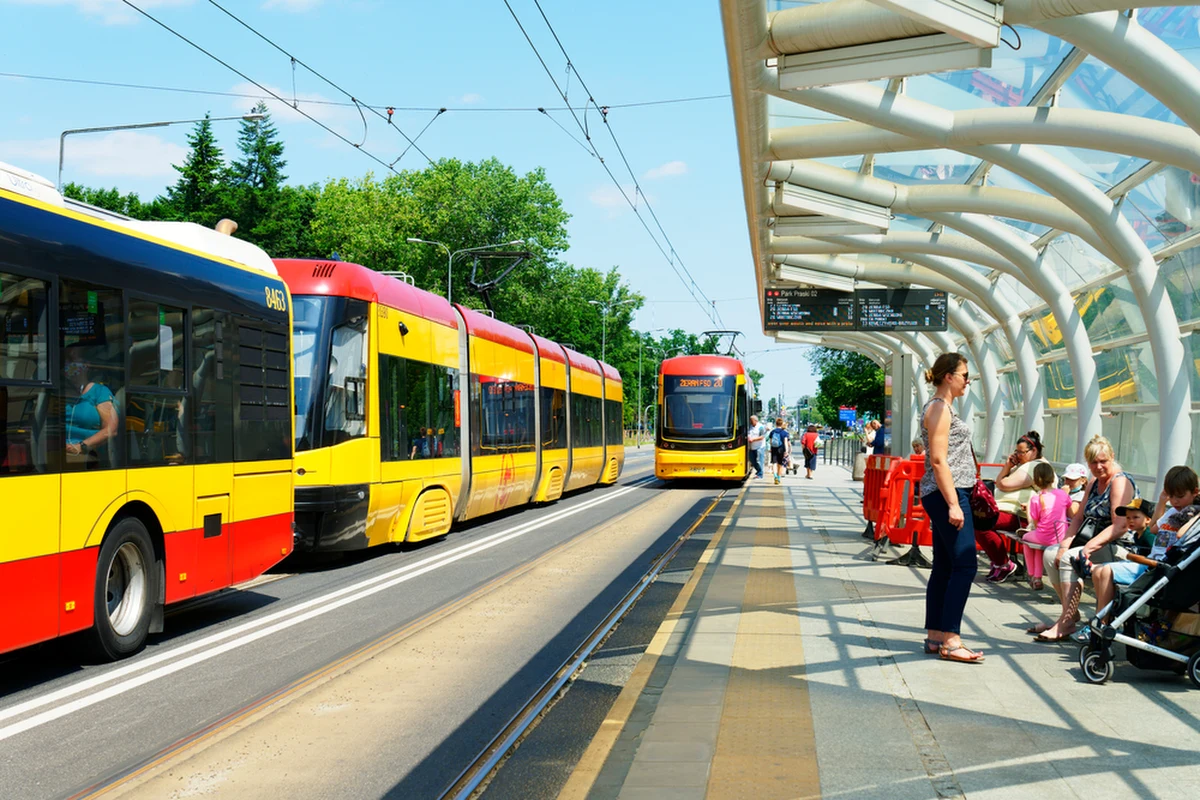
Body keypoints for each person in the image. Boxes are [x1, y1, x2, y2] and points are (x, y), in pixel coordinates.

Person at [1030, 434, 1135, 641]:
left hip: (1118, 546)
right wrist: (1063, 546)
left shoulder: (1119, 482)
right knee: (1052, 555)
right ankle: (1069, 614)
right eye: (1093, 462)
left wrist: (1087, 548)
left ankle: (1066, 622)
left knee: (1071, 558)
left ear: (1112, 457)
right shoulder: (1095, 482)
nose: (1099, 466)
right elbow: (1078, 517)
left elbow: (1120, 526)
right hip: (1095, 543)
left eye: (1103, 461)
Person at [920, 353, 984, 664]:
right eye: (963, 375)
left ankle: (935, 636)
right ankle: (951, 639)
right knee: (965, 565)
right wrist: (953, 504)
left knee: (945, 566)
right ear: (948, 376)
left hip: (946, 492)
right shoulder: (939, 408)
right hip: (948, 493)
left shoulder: (939, 408)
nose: (967, 380)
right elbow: (938, 460)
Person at [1090, 468, 1200, 623]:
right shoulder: (1173, 511)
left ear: (1195, 492)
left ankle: (1103, 622)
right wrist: (1162, 501)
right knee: (1097, 571)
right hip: (1151, 562)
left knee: (1105, 570)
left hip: (1160, 568)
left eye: (1180, 496)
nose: (1175, 501)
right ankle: (1103, 617)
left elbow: (1182, 534)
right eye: (1172, 496)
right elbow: (1154, 528)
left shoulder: (1193, 514)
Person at [975, 431, 1052, 584]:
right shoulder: (1025, 465)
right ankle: (1000, 562)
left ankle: (1003, 564)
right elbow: (1001, 482)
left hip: (1022, 516)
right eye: (1016, 451)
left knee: (981, 523)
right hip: (1011, 513)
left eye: (1021, 452)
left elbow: (1003, 484)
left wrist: (1007, 470)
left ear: (1033, 450)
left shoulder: (1035, 467)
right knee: (980, 522)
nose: (1018, 455)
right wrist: (1008, 466)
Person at [1021, 462, 1071, 591]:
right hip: (1060, 536)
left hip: (1043, 535)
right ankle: (1036, 578)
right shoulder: (1062, 494)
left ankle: (1032, 574)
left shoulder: (1036, 499)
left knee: (1026, 539)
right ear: (1053, 478)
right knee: (1038, 547)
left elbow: (1036, 522)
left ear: (1036, 480)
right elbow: (1069, 511)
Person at [63, 352, 118, 467]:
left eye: (71, 359)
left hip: (88, 455)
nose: (67, 364)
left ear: (86, 365)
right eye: (65, 361)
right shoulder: (58, 392)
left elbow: (111, 429)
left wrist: (82, 446)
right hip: (56, 455)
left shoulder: (99, 392)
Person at [768, 418, 790, 485]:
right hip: (781, 449)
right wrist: (786, 451)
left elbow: (771, 441)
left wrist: (771, 448)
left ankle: (775, 476)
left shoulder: (772, 432)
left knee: (774, 463)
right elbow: (785, 442)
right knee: (780, 464)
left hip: (774, 448)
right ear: (782, 424)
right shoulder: (784, 433)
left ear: (776, 423)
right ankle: (778, 477)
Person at [747, 414, 766, 479]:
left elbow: (762, 437)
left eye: (751, 421)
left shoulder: (760, 427)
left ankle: (760, 474)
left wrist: (753, 439)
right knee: (752, 459)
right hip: (752, 447)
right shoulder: (750, 426)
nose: (751, 422)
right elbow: (749, 433)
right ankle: (758, 471)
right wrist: (749, 438)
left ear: (755, 420)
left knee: (759, 461)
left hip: (760, 447)